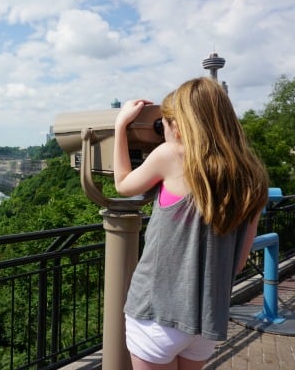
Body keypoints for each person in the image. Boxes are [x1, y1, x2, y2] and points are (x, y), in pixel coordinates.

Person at [113, 77, 269, 370]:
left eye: (166, 123)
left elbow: (122, 184)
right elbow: (238, 261)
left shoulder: (171, 156)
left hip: (156, 313)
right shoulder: (252, 175)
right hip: (205, 320)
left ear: (181, 125)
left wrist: (121, 125)